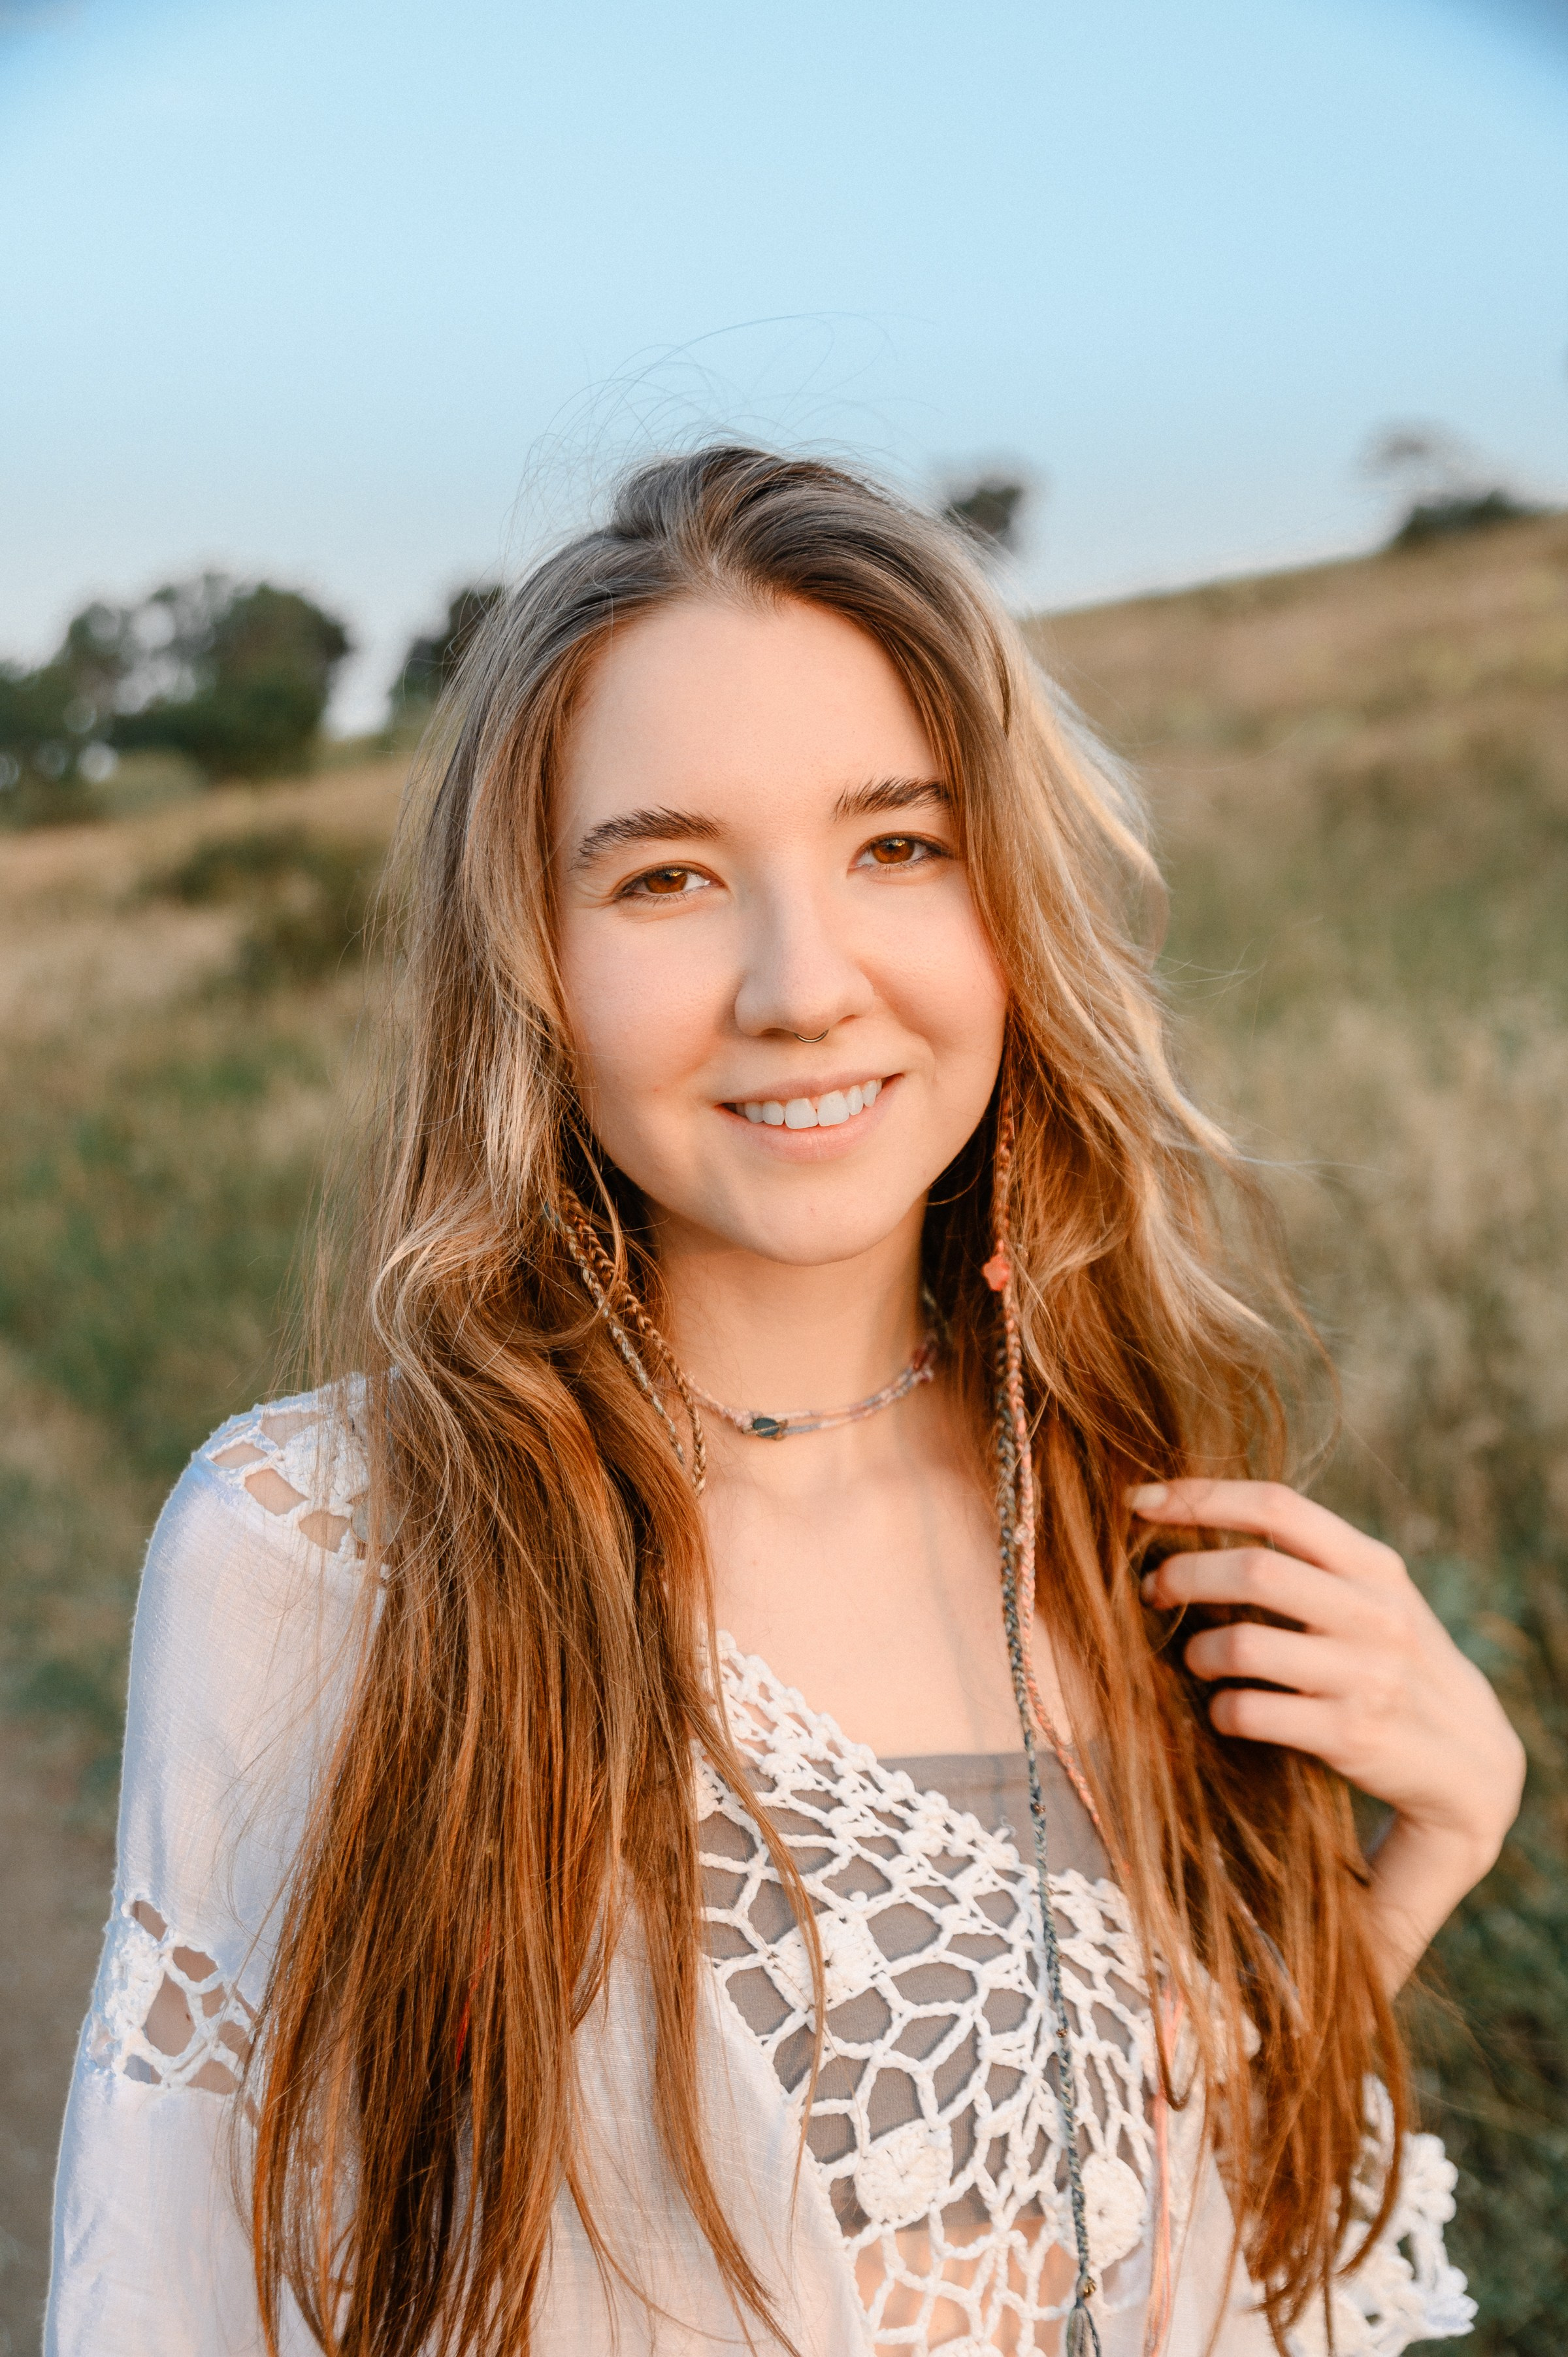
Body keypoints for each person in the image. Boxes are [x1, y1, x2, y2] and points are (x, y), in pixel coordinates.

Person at [46, 447, 1523, 2357]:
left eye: (897, 844)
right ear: (532, 966)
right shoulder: (335, 1547)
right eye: (666, 876)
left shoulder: (1111, 1506)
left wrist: (1438, 1844)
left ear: (1012, 905)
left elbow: (1185, 2246)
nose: (801, 983)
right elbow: (175, 2290)